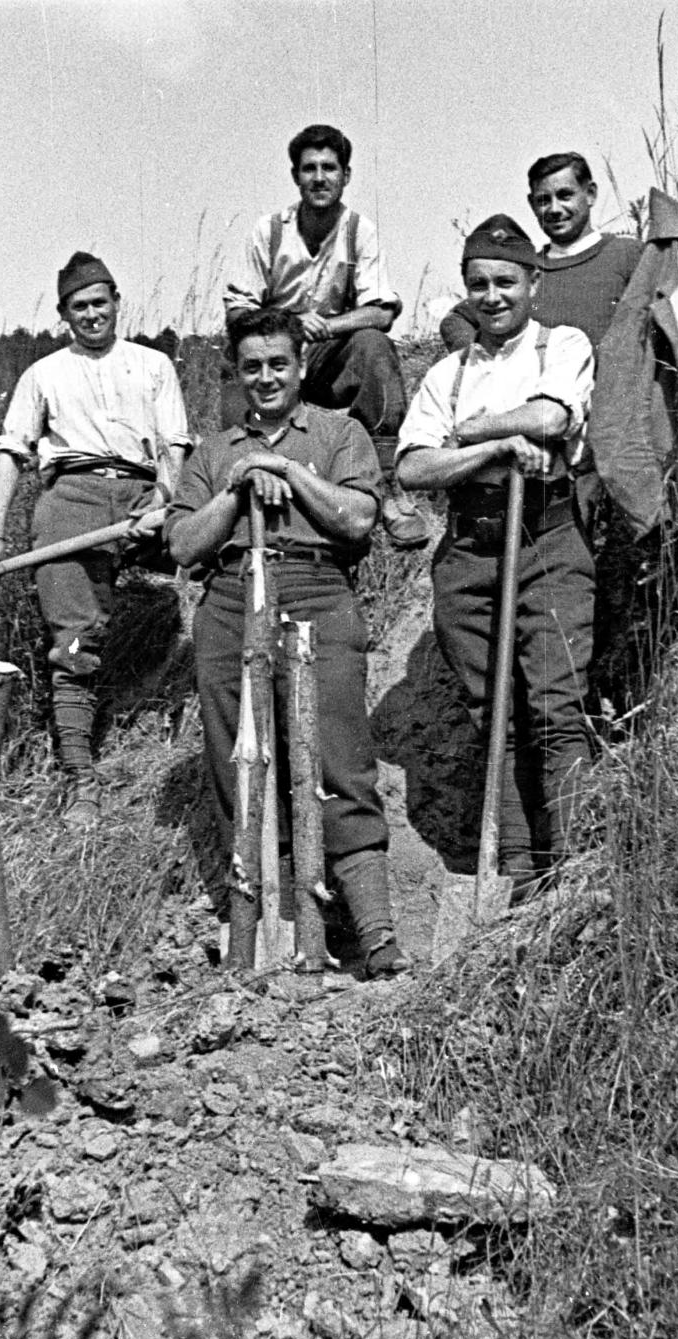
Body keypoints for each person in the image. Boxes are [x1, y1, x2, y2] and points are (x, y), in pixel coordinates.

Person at [165, 307, 409, 979]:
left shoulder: (339, 433)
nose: (266, 377)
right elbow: (183, 543)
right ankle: (261, 926)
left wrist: (284, 467)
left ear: (301, 366)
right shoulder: (213, 453)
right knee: (236, 762)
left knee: (338, 758)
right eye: (252, 367)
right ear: (236, 375)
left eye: (279, 364)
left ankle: (373, 931)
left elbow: (357, 519)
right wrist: (240, 485)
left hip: (316, 594)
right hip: (229, 601)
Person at [397, 217, 595, 895]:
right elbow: (416, 469)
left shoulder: (559, 345)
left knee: (554, 703)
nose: (491, 296)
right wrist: (492, 450)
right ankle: (511, 865)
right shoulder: (445, 373)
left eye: (505, 281)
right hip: (470, 544)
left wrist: (477, 428)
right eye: (477, 283)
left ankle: (570, 870)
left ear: (532, 283)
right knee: (493, 710)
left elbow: (549, 419)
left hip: (547, 535)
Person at [0, 252, 192, 829]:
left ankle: (196, 716)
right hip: (72, 501)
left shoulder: (152, 365)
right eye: (80, 307)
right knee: (72, 644)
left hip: (146, 497)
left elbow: (175, 444)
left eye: (101, 302)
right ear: (63, 315)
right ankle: (80, 777)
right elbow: (11, 455)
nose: (92, 314)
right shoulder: (44, 374)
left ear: (118, 302)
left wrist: (166, 498)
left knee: (212, 560)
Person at [223, 123, 428, 549]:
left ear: (346, 175)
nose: (319, 178)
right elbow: (239, 309)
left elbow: (383, 309)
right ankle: (229, 494)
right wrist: (291, 322)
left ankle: (388, 488)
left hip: (330, 358)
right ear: (295, 175)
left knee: (374, 346)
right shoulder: (270, 231)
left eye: (329, 168)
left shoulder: (359, 230)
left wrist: (328, 326)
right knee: (234, 366)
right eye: (309, 168)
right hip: (276, 351)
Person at [440, 152, 642, 356]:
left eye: (565, 196)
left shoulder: (628, 255)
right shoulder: (523, 271)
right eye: (544, 200)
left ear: (590, 194)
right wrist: (483, 362)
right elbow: (458, 319)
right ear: (531, 204)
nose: (554, 209)